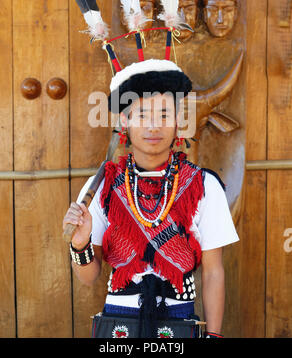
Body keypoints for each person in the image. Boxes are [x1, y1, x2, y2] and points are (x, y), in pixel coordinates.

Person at [62, 59, 239, 339]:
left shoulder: (204, 185)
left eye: (165, 115)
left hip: (179, 318)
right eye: (142, 115)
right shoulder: (103, 185)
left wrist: (213, 335)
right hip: (118, 322)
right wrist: (80, 242)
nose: (154, 126)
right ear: (124, 121)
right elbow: (88, 277)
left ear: (179, 121)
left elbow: (214, 271)